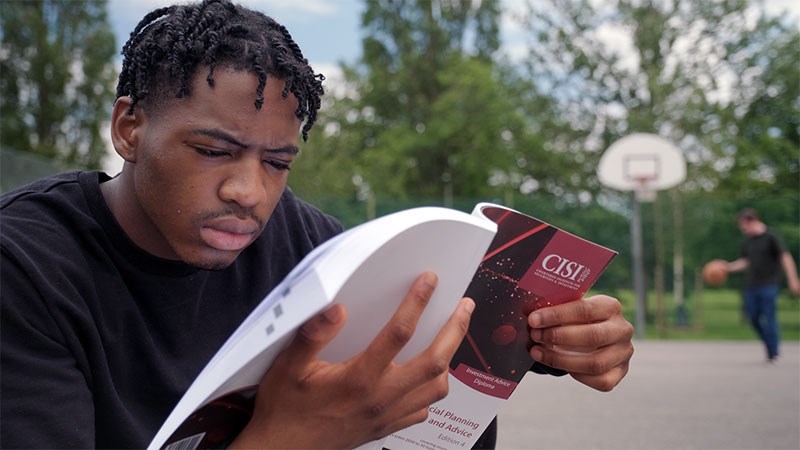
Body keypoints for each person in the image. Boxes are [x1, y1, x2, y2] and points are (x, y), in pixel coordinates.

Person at [0, 1, 634, 448]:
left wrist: (551, 342)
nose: (249, 192)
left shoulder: (311, 245)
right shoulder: (24, 267)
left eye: (277, 163)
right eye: (213, 150)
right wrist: (293, 438)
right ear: (128, 128)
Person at [721, 208, 800, 363]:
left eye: (744, 225)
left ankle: (773, 351)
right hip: (751, 286)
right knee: (753, 317)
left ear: (752, 221)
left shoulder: (771, 237)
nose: (743, 229)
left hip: (769, 285)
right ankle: (769, 344)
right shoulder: (748, 241)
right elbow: (746, 261)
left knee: (769, 317)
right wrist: (728, 267)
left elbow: (785, 257)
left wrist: (793, 279)